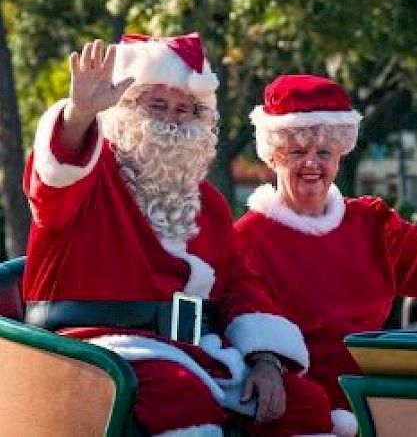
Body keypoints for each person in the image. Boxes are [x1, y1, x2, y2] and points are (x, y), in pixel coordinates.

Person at [23, 37, 337, 436]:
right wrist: (78, 115)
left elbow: (239, 286)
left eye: (185, 109)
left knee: (303, 404)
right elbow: (53, 180)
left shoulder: (207, 202)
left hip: (191, 351)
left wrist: (266, 359)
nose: (172, 120)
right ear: (125, 108)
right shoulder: (90, 171)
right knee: (181, 396)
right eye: (157, 105)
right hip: (90, 351)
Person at [234, 74, 417, 436]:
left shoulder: (371, 223)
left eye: (324, 152)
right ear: (273, 157)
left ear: (340, 157)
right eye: (298, 152)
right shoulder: (247, 240)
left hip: (377, 413)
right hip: (292, 420)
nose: (312, 163)